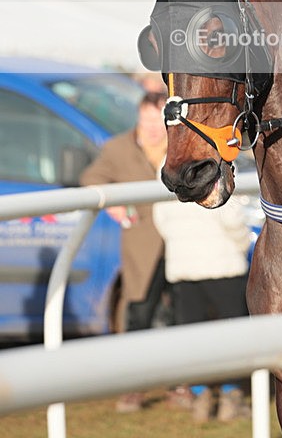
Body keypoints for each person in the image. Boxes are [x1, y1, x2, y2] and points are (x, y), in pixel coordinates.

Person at [81, 90, 168, 412]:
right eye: (147, 120)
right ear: (139, 117)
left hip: (182, 242)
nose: (153, 127)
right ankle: (134, 387)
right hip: (141, 245)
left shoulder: (181, 144)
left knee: (184, 315)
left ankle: (183, 385)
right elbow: (91, 179)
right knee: (138, 314)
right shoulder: (118, 148)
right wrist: (114, 206)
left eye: (158, 120)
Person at [153, 195, 251, 423]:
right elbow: (232, 217)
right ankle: (231, 396)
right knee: (233, 335)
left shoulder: (163, 174)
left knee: (191, 336)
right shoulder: (218, 168)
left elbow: (161, 218)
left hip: (183, 264)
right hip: (223, 262)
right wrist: (242, 245)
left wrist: (179, 243)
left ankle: (200, 398)